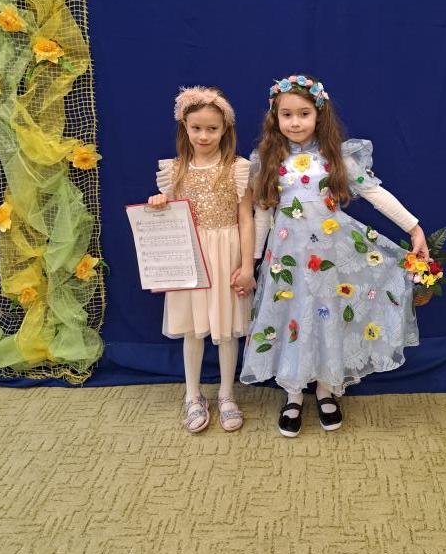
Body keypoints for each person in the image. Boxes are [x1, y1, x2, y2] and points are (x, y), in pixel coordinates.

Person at [238, 75, 429, 437]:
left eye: (304, 114)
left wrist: (413, 227)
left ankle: (326, 389)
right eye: (287, 115)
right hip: (287, 262)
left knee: (328, 316)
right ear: (275, 118)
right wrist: (252, 262)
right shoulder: (267, 160)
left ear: (319, 115)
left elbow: (374, 193)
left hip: (329, 258)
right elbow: (261, 214)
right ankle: (294, 393)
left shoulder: (335, 157)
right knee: (293, 317)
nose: (295, 122)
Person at [149, 86, 255, 433]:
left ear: (225, 130)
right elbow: (167, 212)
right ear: (185, 127)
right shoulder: (175, 170)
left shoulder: (238, 168)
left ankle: (226, 394)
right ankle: (192, 395)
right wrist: (159, 203)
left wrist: (247, 267)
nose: (204, 135)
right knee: (193, 328)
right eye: (196, 128)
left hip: (227, 253)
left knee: (226, 327)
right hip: (191, 255)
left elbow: (247, 218)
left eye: (212, 128)